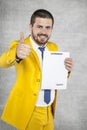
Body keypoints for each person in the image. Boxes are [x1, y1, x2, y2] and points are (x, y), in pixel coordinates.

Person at [0, 9, 73, 130]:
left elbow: (55, 75)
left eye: (48, 27)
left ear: (52, 29)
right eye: (39, 27)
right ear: (31, 27)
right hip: (31, 110)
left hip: (49, 109)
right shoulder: (19, 45)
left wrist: (67, 70)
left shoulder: (53, 47)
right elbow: (2, 62)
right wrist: (16, 54)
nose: (43, 32)